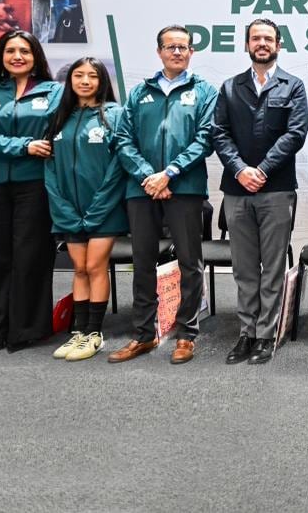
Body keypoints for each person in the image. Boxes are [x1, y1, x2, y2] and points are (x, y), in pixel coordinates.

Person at [107, 26, 217, 366]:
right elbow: (122, 138)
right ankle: (142, 335)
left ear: (191, 52)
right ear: (159, 52)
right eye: (171, 47)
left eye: (183, 47)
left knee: (189, 263)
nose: (177, 52)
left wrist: (169, 173)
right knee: (141, 262)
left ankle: (186, 334)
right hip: (141, 190)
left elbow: (206, 138)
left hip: (184, 189)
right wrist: (147, 175)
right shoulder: (140, 91)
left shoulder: (204, 92)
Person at [212, 19, 308, 366]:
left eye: (269, 38)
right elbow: (219, 133)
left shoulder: (292, 86)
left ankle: (266, 335)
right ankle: (246, 333)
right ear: (247, 44)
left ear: (279, 45)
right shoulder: (230, 87)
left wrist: (263, 169)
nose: (262, 43)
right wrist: (240, 169)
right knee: (244, 268)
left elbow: (295, 134)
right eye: (256, 38)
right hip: (237, 190)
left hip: (277, 190)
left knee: (272, 267)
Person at [0, 29, 61, 353]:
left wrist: (33, 147)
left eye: (24, 51)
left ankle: (27, 329)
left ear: (35, 58)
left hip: (35, 184)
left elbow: (55, 135)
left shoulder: (54, 92)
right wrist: (23, 146)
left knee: (31, 255)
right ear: (2, 58)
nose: (17, 56)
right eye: (10, 51)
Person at [45, 58, 128, 362]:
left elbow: (118, 167)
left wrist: (98, 208)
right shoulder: (58, 118)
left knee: (95, 266)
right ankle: (78, 332)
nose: (85, 81)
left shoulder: (114, 115)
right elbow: (50, 169)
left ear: (102, 81)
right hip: (68, 212)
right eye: (78, 75)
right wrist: (62, 208)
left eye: (92, 76)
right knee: (79, 268)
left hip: (104, 211)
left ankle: (94, 332)